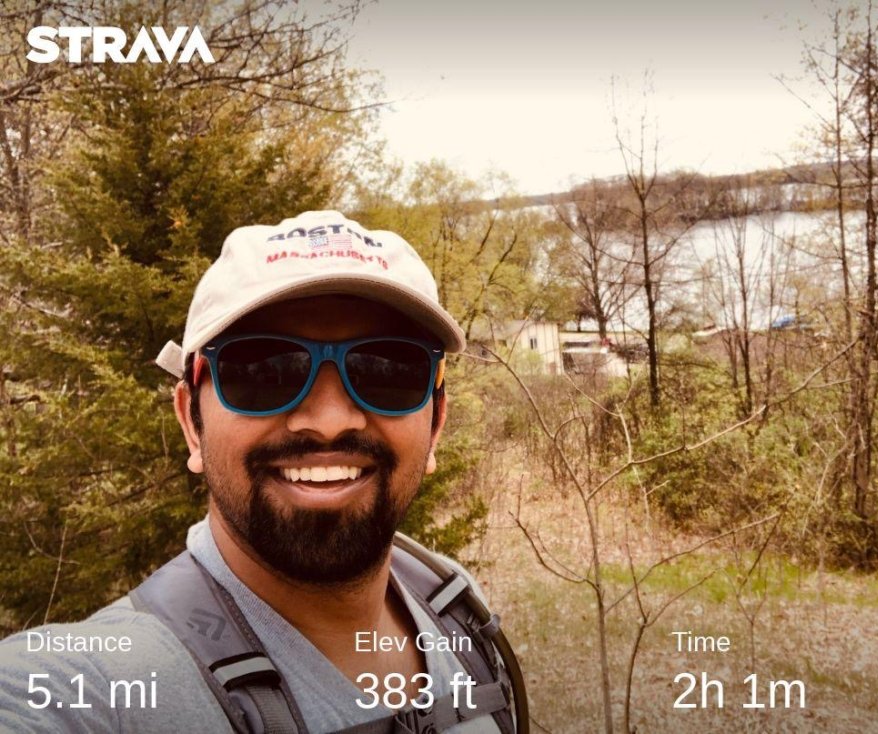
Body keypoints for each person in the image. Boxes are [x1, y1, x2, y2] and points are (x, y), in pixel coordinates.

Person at [0, 211, 524, 733]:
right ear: (191, 423)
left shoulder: (456, 607)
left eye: (387, 369)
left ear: (435, 425)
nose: (329, 422)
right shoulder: (95, 686)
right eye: (262, 370)